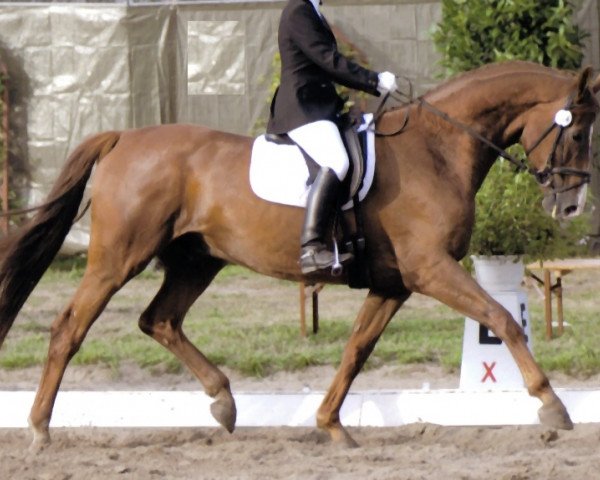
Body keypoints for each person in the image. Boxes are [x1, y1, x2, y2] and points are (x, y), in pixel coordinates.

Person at [266, 0, 398, 275]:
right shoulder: (298, 11)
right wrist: (373, 81)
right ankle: (311, 247)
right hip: (302, 108)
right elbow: (327, 60)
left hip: (321, 107)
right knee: (337, 161)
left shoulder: (313, 11)